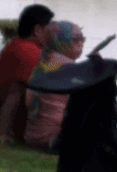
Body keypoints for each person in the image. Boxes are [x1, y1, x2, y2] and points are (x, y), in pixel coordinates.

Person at [0, 4, 54, 144]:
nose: (53, 34)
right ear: (38, 30)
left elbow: (1, 91)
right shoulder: (32, 53)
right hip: (28, 129)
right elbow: (16, 92)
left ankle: (1, 132)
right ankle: (3, 134)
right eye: (50, 28)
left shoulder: (11, 46)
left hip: (14, 126)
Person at [23, 21, 84, 151]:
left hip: (32, 136)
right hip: (53, 137)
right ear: (61, 42)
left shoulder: (43, 63)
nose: (82, 44)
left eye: (83, 39)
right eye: (77, 39)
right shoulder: (68, 66)